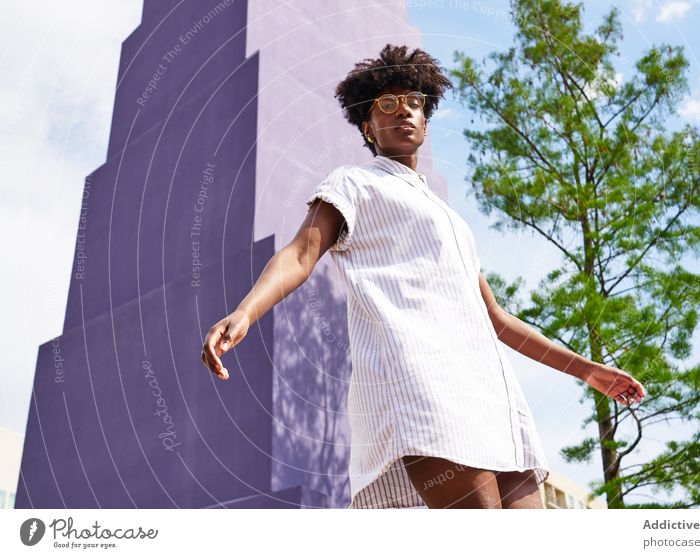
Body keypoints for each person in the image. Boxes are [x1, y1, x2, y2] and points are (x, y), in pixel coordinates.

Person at [200, 44, 646, 509]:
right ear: (367, 127)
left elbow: (495, 318)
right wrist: (246, 311)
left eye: (414, 102)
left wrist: (588, 370)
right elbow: (299, 253)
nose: (404, 112)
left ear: (427, 121)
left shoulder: (452, 221)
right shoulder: (354, 183)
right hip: (424, 385)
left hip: (492, 397)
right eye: (387, 105)